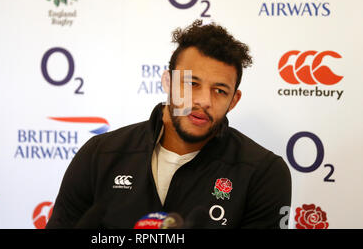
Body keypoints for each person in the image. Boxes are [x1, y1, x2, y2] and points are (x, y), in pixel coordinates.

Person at [46, 20, 292, 229]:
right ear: (167, 81)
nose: (203, 101)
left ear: (233, 100)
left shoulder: (264, 173)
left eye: (219, 90)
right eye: (192, 83)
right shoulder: (99, 154)